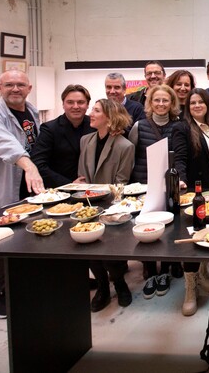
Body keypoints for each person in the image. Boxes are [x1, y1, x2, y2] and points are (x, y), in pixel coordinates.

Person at [0, 69, 45, 319]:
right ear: (0, 88)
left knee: (28, 238)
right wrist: (30, 166)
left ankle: (27, 285)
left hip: (26, 187)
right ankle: (0, 294)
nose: (16, 89)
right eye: (9, 85)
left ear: (29, 88)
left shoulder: (32, 111)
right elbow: (8, 145)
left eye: (20, 85)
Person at [128, 84, 188, 297]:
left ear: (172, 103)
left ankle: (166, 269)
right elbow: (132, 155)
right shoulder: (139, 126)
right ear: (150, 103)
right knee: (147, 229)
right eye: (157, 100)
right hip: (145, 185)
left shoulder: (179, 126)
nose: (161, 104)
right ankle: (151, 271)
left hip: (170, 186)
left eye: (165, 100)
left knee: (171, 228)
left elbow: (181, 157)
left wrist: (179, 180)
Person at [76, 98, 135, 312]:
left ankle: (119, 284)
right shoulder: (85, 140)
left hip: (111, 206)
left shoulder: (125, 146)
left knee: (111, 252)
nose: (91, 113)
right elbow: (82, 175)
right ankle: (102, 287)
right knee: (90, 248)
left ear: (109, 118)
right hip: (87, 203)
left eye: (97, 110)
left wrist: (98, 192)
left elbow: (121, 182)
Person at [172, 87, 209, 316]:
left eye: (201, 102)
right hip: (193, 191)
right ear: (187, 107)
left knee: (206, 232)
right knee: (191, 237)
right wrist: (181, 180)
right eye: (192, 103)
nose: (197, 106)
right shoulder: (182, 127)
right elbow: (179, 157)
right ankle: (190, 288)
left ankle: (202, 274)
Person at [31, 84, 96, 188]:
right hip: (61, 189)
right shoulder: (49, 129)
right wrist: (69, 184)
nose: (75, 106)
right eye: (70, 102)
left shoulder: (96, 126)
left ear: (88, 105)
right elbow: (38, 164)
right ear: (63, 104)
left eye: (80, 102)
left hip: (92, 187)